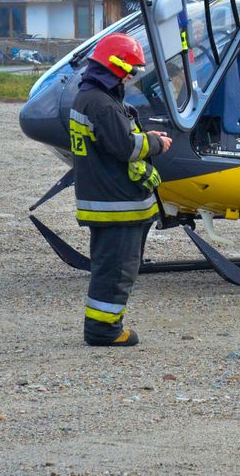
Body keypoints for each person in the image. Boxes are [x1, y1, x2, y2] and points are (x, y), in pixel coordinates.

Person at [69, 33, 172, 346]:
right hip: (117, 204)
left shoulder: (90, 97)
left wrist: (139, 133)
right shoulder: (102, 104)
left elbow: (110, 138)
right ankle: (104, 331)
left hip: (105, 201)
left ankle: (104, 326)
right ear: (115, 66)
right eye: (131, 70)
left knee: (110, 267)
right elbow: (125, 147)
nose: (132, 76)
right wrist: (156, 143)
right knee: (116, 271)